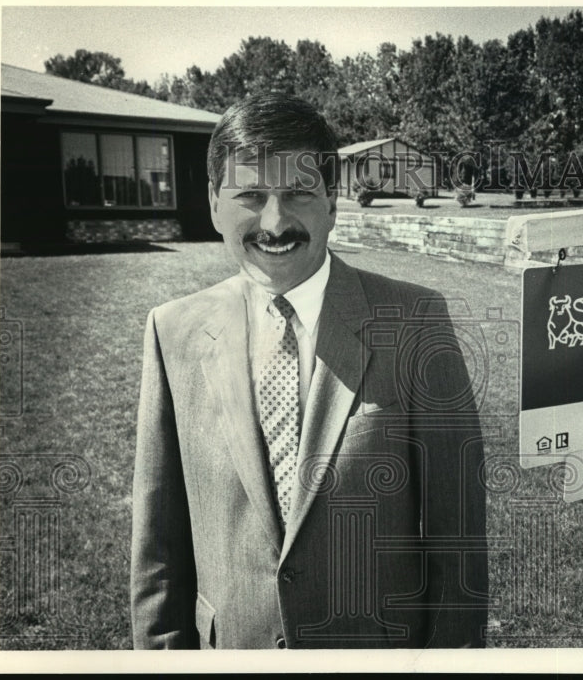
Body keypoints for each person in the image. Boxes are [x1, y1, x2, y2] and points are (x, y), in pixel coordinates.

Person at [130, 94, 488, 649]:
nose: (275, 222)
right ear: (214, 204)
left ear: (332, 202)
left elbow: (456, 543)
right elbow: (158, 554)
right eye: (250, 196)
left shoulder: (416, 323)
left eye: (298, 193)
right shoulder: (171, 332)